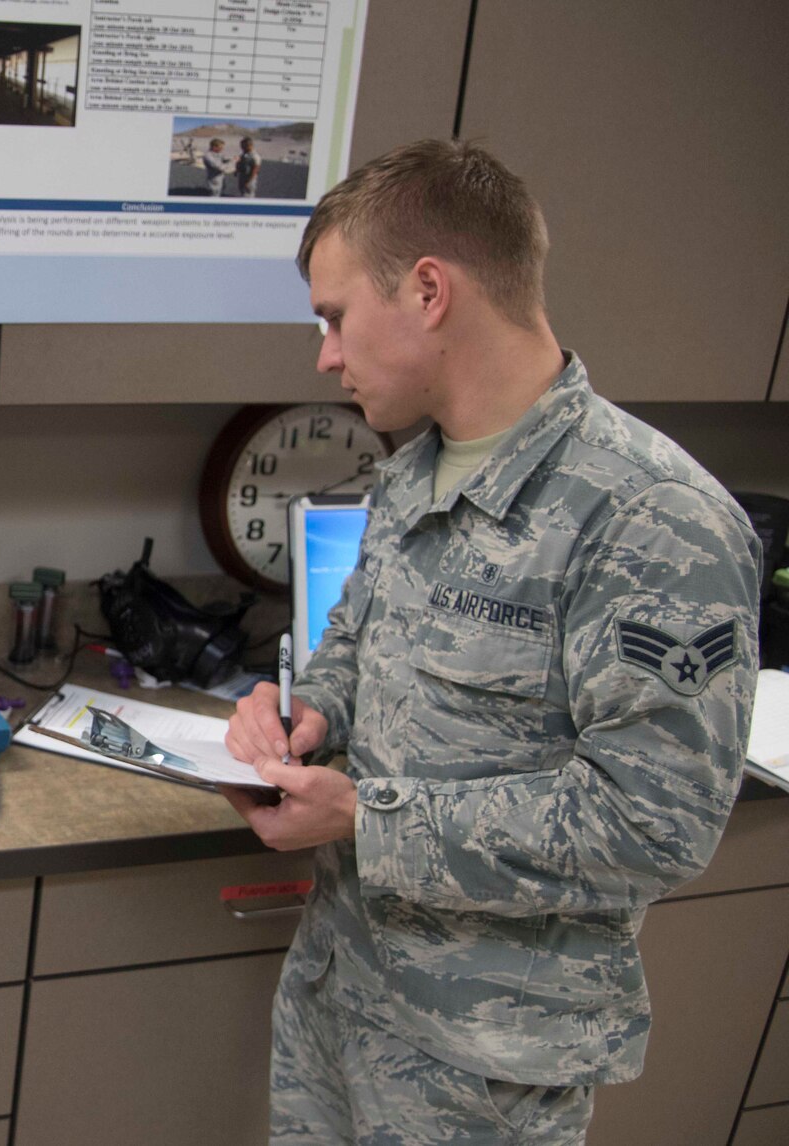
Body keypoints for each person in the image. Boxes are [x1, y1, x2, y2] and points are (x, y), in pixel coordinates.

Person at [221, 139, 760, 1143]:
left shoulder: (651, 519)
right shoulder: (409, 472)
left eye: (333, 317)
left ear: (427, 291)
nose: (324, 356)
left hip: (478, 1063)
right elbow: (353, 644)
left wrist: (362, 818)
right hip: (338, 991)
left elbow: (653, 822)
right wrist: (307, 711)